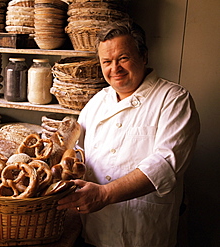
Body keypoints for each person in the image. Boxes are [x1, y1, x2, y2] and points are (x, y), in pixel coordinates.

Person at [57, 19, 200, 247]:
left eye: (123, 58)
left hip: (145, 234)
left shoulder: (173, 99)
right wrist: (68, 163)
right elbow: (75, 152)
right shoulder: (96, 103)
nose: (115, 69)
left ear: (144, 57)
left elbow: (165, 165)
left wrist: (104, 195)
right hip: (96, 233)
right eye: (107, 62)